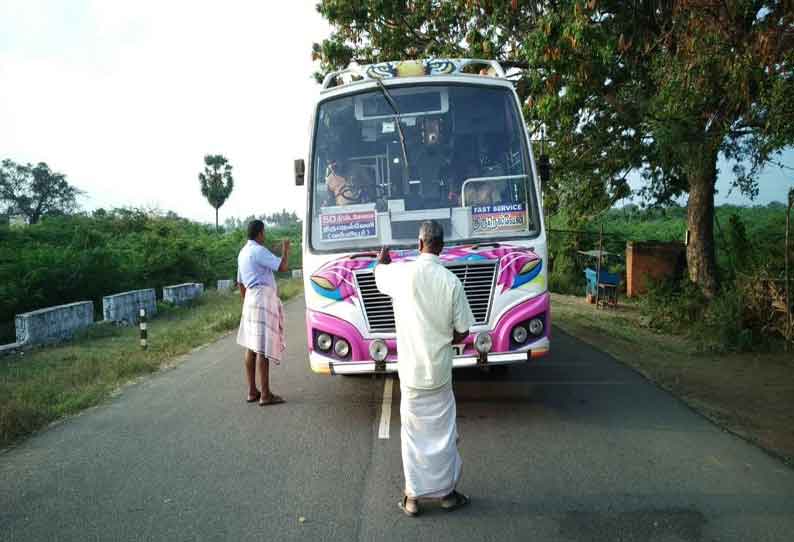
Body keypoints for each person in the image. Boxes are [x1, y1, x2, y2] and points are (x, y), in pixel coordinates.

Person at [374, 220, 475, 517]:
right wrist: (447, 337)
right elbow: (463, 331)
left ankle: (412, 498)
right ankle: (446, 495)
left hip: (412, 375)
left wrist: (383, 261)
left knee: (413, 438)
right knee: (444, 437)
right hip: (440, 374)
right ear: (442, 247)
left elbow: (379, 274)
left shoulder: (401, 275)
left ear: (419, 244)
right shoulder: (451, 281)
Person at [236, 220, 290, 406]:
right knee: (263, 348)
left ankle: (252, 391)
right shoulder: (258, 250)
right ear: (259, 233)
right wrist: (285, 249)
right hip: (261, 298)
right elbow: (282, 267)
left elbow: (241, 284)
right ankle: (265, 395)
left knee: (251, 346)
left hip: (250, 299)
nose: (264, 236)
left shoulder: (242, 253)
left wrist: (247, 303)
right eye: (264, 233)